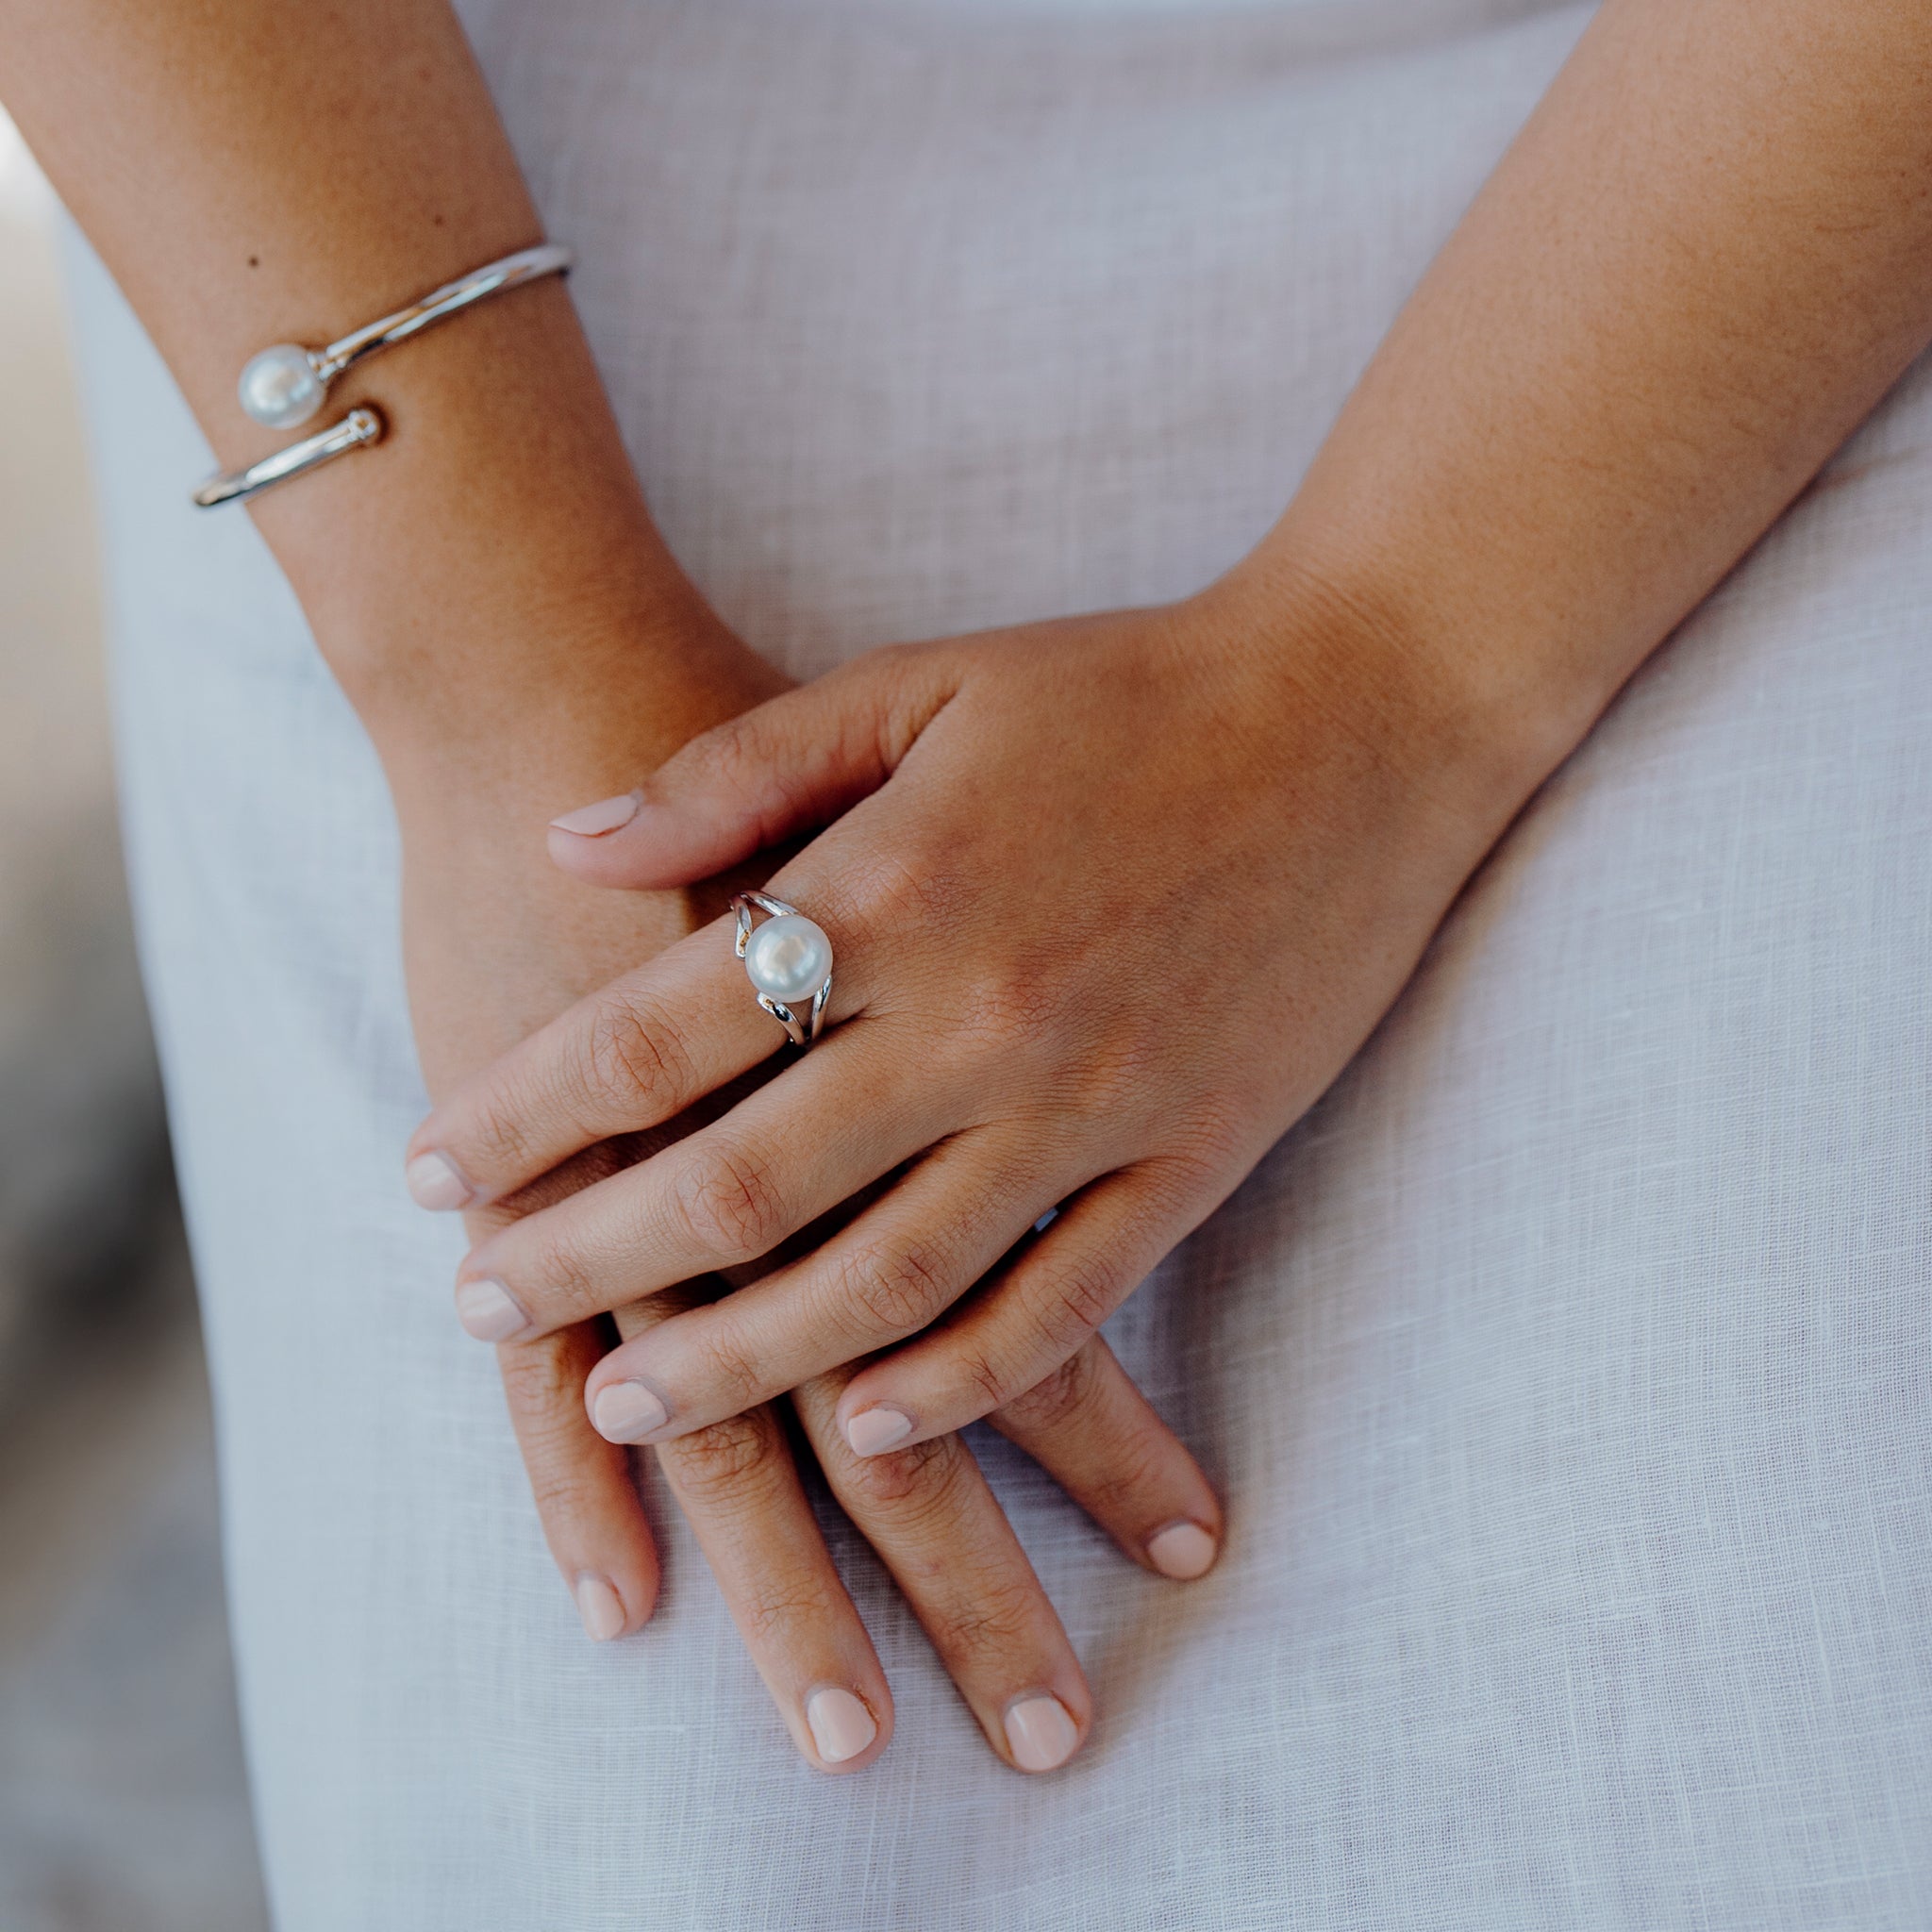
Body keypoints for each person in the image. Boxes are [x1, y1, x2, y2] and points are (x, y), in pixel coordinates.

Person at [8, 0, 1932, 1923]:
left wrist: (1388, 681)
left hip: (1736, 140)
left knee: (1780, 1616)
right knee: (686, 1750)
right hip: (388, 230)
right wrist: (513, 692)